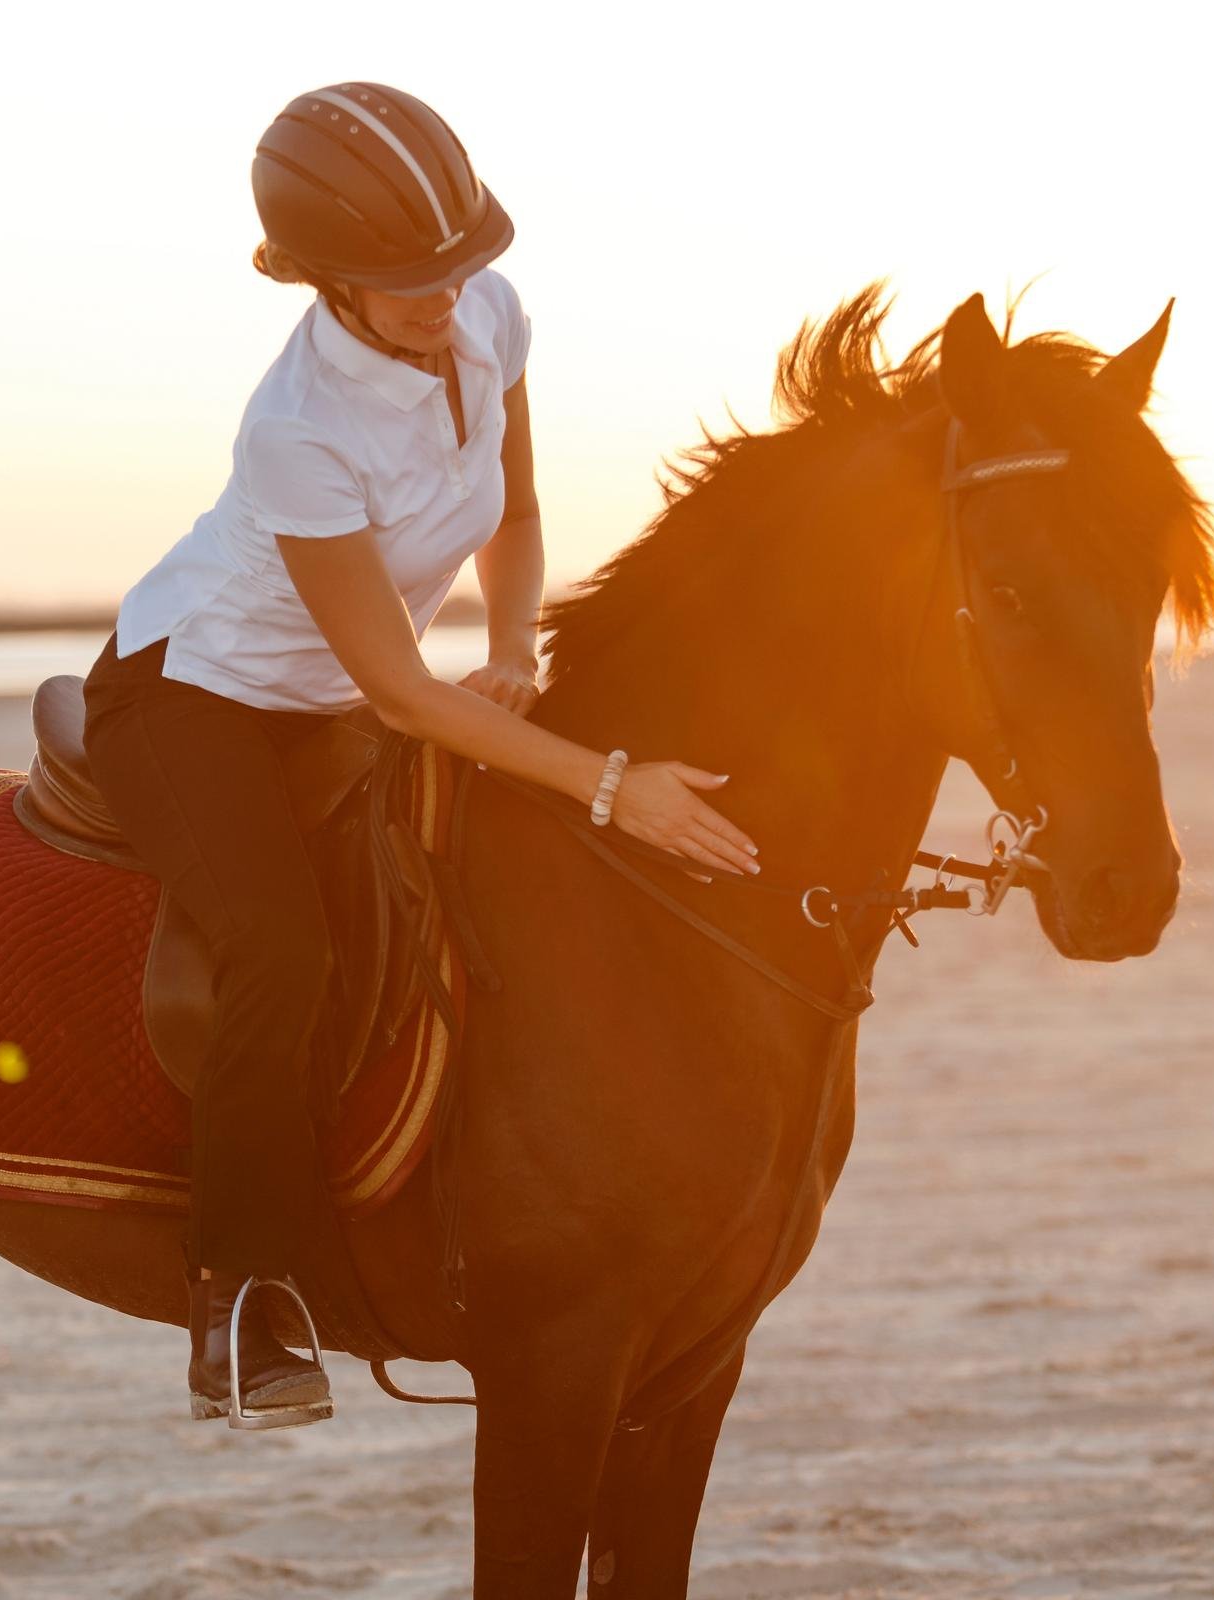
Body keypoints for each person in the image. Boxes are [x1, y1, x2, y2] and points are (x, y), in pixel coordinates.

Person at [81, 81, 762, 1429]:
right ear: (325, 280)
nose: (445, 294)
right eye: (408, 279)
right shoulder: (297, 435)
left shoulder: (490, 317)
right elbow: (395, 688)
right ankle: (240, 1296)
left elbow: (515, 508)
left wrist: (514, 642)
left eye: (461, 262)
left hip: (344, 682)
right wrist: (617, 789)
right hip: (200, 696)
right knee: (282, 947)